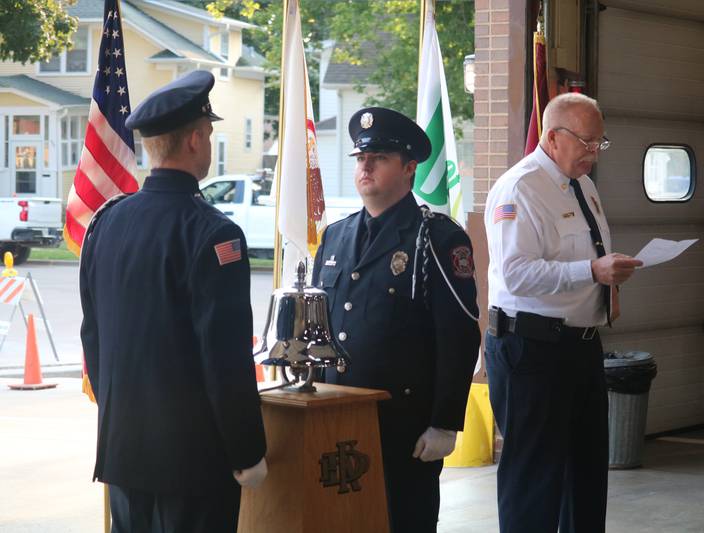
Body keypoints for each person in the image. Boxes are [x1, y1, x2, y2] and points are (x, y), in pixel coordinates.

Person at [80, 70, 267, 533]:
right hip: (193, 462)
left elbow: (94, 338)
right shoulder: (215, 233)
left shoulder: (105, 223)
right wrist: (247, 450)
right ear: (195, 141)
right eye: (207, 133)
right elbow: (224, 358)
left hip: (124, 452)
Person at [311, 107, 481, 532]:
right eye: (360, 158)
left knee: (403, 522)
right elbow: (320, 327)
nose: (365, 166)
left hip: (402, 424)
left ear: (408, 168)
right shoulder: (335, 236)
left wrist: (444, 421)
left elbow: (458, 334)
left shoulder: (437, 237)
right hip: (337, 418)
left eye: (380, 158)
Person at [483, 93, 643, 533]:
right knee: (535, 478)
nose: (593, 153)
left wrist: (605, 282)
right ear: (552, 137)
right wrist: (592, 270)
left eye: (599, 143)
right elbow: (515, 274)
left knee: (587, 472)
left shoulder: (582, 184)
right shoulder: (520, 188)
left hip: (581, 346)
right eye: (586, 142)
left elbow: (586, 255)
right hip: (530, 348)